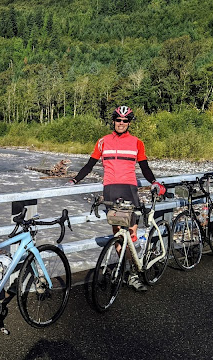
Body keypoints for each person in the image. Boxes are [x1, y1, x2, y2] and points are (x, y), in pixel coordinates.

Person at [67, 106, 165, 292]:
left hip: (130, 190)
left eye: (125, 120)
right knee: (119, 235)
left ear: (129, 123)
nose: (121, 123)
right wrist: (74, 180)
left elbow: (144, 167)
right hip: (111, 191)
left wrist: (154, 181)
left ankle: (132, 270)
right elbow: (89, 165)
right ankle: (129, 273)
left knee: (132, 234)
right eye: (118, 120)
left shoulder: (137, 143)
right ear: (113, 121)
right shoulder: (103, 142)